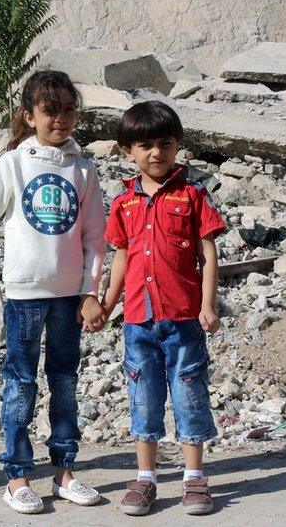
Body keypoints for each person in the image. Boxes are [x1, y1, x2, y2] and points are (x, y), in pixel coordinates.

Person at [0, 70, 107, 514]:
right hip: (24, 296)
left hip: (69, 297)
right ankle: (18, 478)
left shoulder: (84, 169)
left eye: (69, 110)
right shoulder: (12, 164)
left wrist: (90, 291)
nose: (61, 119)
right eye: (50, 110)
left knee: (65, 383)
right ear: (28, 116)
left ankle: (65, 472)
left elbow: (94, 238)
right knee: (21, 383)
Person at [101, 101, 226, 516]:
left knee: (189, 394)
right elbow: (121, 257)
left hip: (183, 318)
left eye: (165, 144)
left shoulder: (192, 196)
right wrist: (106, 302)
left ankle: (194, 479)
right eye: (146, 145)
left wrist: (207, 305)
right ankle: (146, 478)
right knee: (143, 398)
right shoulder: (123, 204)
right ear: (127, 151)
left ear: (177, 146)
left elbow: (208, 254)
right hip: (138, 319)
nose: (156, 153)